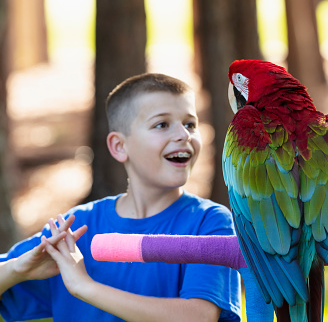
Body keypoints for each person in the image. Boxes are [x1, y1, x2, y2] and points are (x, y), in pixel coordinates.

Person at [0, 73, 242, 322]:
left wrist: (85, 286)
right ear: (119, 146)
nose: (183, 135)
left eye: (190, 124)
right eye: (162, 124)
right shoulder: (77, 228)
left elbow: (198, 317)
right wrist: (16, 268)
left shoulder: (210, 223)